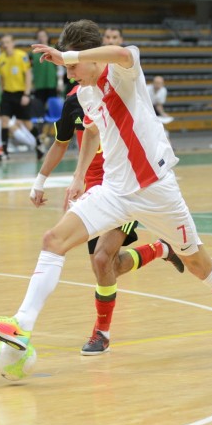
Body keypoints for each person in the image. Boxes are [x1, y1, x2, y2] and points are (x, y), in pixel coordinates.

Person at [0, 18, 212, 364]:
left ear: (90, 57)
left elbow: (120, 51)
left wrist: (68, 55)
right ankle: (22, 324)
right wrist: (78, 176)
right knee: (53, 240)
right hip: (113, 192)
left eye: (74, 67)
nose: (70, 74)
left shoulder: (123, 72)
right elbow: (92, 131)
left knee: (197, 262)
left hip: (156, 191)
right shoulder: (86, 93)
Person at [29, 81, 185, 354]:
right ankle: (160, 249)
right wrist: (39, 182)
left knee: (102, 259)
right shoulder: (73, 103)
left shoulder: (118, 92)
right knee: (106, 268)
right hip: (95, 196)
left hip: (124, 189)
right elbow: (60, 143)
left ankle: (101, 333)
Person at [0, 33, 40, 160]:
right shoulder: (0, 59)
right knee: (4, 120)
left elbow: (28, 76)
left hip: (20, 94)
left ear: (13, 43)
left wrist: (27, 94)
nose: (5, 45)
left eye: (7, 42)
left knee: (26, 122)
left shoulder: (22, 56)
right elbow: (2, 78)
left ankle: (39, 144)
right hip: (7, 94)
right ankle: (4, 152)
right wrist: (1, 92)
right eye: (3, 43)